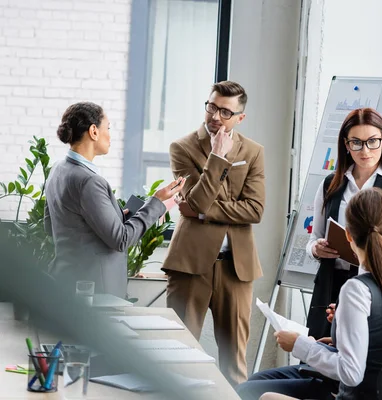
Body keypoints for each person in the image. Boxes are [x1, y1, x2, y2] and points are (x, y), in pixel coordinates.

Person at [236, 188, 382, 400]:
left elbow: (351, 374)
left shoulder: (357, 290)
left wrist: (300, 345)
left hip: (353, 394)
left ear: (347, 235)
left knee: (254, 395)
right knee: (251, 387)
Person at [162, 81, 265, 385]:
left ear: (239, 118)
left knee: (234, 362)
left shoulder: (254, 151)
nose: (215, 116)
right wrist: (217, 159)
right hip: (189, 264)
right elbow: (194, 200)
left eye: (225, 111)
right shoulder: (181, 147)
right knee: (179, 355)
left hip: (237, 266)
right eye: (211, 106)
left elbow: (255, 210)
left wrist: (205, 212)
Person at [44, 102, 183, 298]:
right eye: (107, 128)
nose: (110, 135)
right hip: (93, 291)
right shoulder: (89, 181)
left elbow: (51, 227)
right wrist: (157, 202)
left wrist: (115, 217)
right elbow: (121, 239)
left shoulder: (57, 170)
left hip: (65, 281)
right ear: (93, 131)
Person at [305, 107, 382, 340]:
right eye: (356, 143)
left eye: (372, 141)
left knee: (358, 356)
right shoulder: (330, 184)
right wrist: (315, 248)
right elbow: (315, 237)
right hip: (330, 284)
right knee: (317, 354)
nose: (365, 150)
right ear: (346, 145)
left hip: (376, 285)